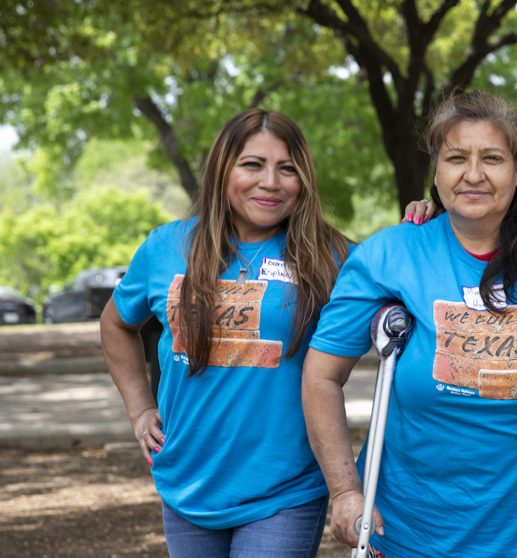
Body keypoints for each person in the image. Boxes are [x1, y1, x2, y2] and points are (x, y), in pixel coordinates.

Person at [302, 90, 517, 557]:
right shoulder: (389, 255)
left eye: (492, 158)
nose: (473, 174)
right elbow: (321, 375)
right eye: (456, 158)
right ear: (437, 171)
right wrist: (347, 491)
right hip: (406, 534)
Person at [100, 108, 350, 557]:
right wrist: (140, 409)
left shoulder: (330, 254)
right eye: (253, 165)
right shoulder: (166, 247)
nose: (271, 182)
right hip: (187, 480)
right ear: (222, 169)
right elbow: (116, 324)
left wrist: (427, 221)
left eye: (287, 169)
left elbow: (407, 280)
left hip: (283, 488)